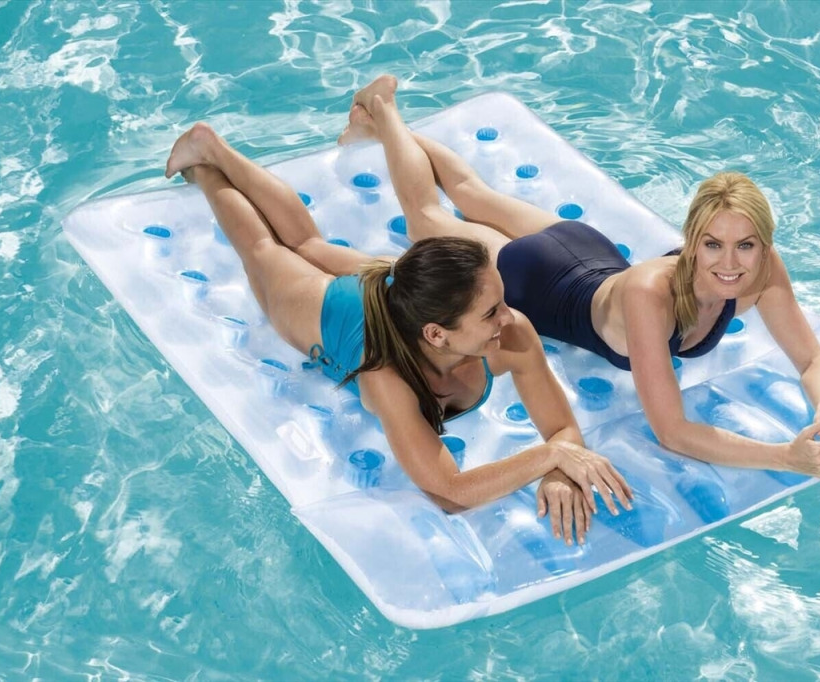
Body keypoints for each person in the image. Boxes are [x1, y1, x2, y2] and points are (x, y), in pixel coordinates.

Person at [338, 75, 820, 478]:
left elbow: (812, 360)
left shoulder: (764, 271)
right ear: (691, 239)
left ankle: (381, 125)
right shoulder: (651, 294)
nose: (729, 264)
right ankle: (384, 109)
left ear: (763, 245)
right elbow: (672, 430)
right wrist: (784, 457)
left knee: (474, 195)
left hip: (588, 248)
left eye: (745, 245)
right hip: (541, 279)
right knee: (428, 219)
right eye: (712, 244)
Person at [163, 122, 633, 546]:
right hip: (330, 312)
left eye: (502, 302)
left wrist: (560, 472)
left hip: (402, 286)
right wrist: (550, 456)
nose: (510, 319)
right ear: (438, 335)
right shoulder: (388, 378)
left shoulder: (508, 334)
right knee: (266, 248)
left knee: (311, 243)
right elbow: (449, 490)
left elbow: (561, 428)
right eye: (492, 312)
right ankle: (209, 164)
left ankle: (213, 150)